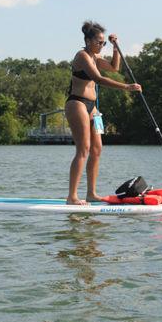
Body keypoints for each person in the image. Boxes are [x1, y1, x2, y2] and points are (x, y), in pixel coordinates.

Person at [64, 21, 142, 205]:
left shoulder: (95, 59)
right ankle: (72, 197)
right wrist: (127, 87)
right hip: (78, 103)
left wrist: (115, 48)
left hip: (93, 108)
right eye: (99, 42)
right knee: (83, 149)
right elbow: (98, 78)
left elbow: (115, 68)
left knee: (97, 149)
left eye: (103, 43)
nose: (101, 45)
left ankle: (91, 193)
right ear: (88, 40)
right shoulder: (82, 56)